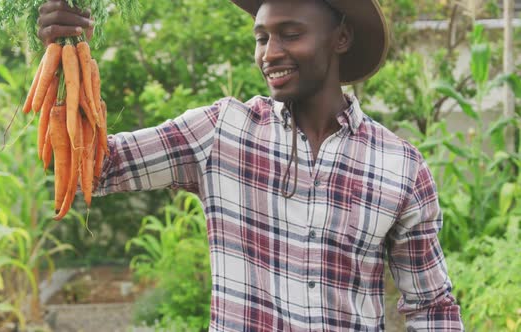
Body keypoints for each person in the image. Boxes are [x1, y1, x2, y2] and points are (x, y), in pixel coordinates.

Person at [37, 0, 464, 330]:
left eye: (290, 34)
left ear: (341, 38)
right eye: (262, 38)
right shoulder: (221, 131)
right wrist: (62, 57)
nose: (270, 54)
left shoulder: (399, 166)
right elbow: (96, 169)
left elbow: (431, 306)